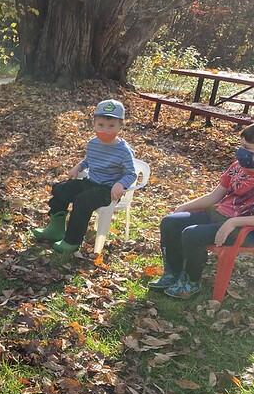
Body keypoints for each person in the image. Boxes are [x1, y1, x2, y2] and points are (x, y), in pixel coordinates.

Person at [148, 123, 254, 298]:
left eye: (247, 148)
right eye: (241, 146)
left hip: (243, 230)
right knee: (170, 222)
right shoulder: (236, 167)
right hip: (218, 216)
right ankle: (172, 273)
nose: (241, 152)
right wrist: (184, 207)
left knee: (192, 234)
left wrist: (234, 222)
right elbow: (215, 196)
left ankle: (191, 281)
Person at [32, 100, 137, 254]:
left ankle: (72, 241)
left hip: (108, 190)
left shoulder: (123, 150)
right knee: (61, 189)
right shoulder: (93, 143)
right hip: (91, 182)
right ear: (94, 124)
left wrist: (120, 184)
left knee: (83, 201)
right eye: (101, 125)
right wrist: (79, 167)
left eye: (111, 126)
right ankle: (55, 229)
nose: (105, 130)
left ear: (120, 126)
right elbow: (89, 160)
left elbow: (131, 173)